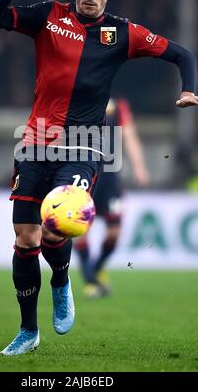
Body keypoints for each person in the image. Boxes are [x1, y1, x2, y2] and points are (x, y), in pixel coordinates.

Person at [0, 0, 198, 355]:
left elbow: (182, 54)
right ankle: (28, 330)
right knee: (26, 237)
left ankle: (62, 279)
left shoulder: (122, 33)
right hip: (36, 141)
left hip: (85, 143)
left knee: (57, 222)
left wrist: (187, 89)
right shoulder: (48, 15)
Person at [74, 97, 149, 297]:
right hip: (85, 175)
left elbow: (130, 136)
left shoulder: (119, 107)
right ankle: (90, 279)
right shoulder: (79, 102)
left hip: (110, 180)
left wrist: (139, 167)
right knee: (80, 229)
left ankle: (95, 269)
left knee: (114, 233)